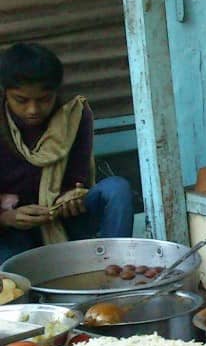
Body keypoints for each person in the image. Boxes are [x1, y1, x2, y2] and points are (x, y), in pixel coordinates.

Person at [0, 43, 134, 264]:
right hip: (14, 230)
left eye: (43, 99)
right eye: (21, 100)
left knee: (116, 189)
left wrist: (73, 196)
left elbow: (77, 179)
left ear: (56, 92)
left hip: (63, 220)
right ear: (6, 93)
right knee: (15, 278)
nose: (32, 110)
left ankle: (114, 268)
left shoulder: (72, 117)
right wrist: (7, 218)